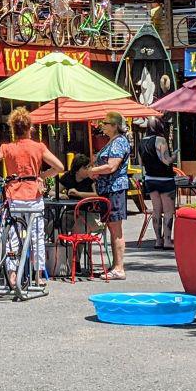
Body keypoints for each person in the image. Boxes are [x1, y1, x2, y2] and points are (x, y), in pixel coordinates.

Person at [0, 107, 66, 286]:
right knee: (36, 236)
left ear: (13, 128)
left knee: (12, 236)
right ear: (29, 128)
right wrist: (41, 176)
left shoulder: (7, 148)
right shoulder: (39, 147)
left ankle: (11, 274)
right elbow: (59, 167)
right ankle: (38, 275)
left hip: (13, 195)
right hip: (33, 196)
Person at [78, 111, 132, 280]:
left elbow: (111, 166)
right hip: (108, 189)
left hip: (114, 189)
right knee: (111, 226)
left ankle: (119, 268)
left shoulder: (118, 142)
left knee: (116, 228)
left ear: (115, 126)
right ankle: (116, 265)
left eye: (106, 123)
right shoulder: (112, 141)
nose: (102, 126)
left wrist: (91, 171)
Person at [137, 119, 178, 249]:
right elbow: (166, 161)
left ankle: (158, 240)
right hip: (164, 179)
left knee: (156, 210)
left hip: (150, 178)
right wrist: (174, 156)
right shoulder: (160, 140)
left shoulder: (142, 142)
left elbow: (140, 162)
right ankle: (167, 240)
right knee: (168, 211)